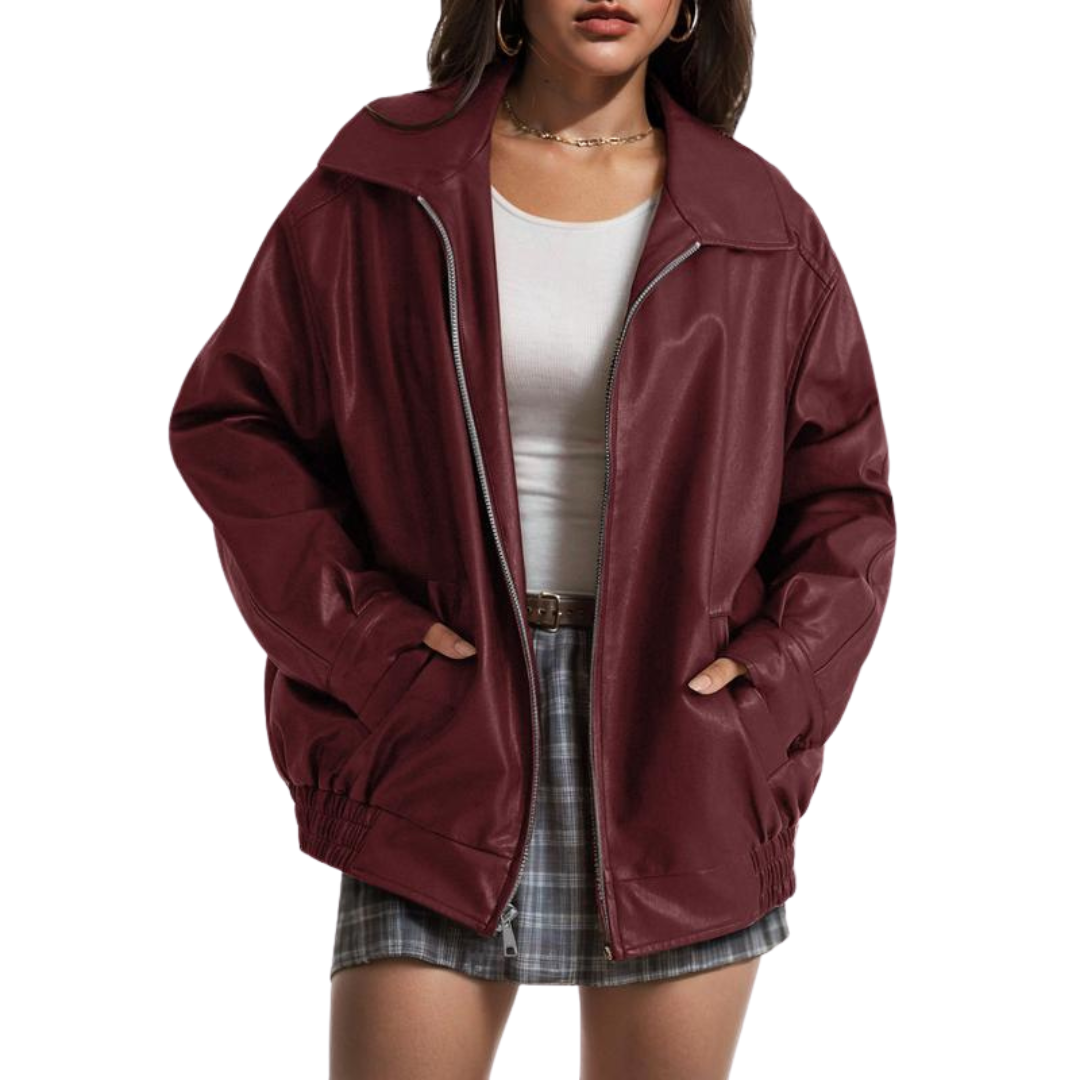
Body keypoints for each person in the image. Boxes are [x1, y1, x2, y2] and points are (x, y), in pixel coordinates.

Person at [169, 1, 896, 1077]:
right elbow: (236, 423)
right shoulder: (388, 182)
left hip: (679, 738)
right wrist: (364, 642)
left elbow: (844, 501)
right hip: (444, 721)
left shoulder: (760, 221)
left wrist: (768, 687)